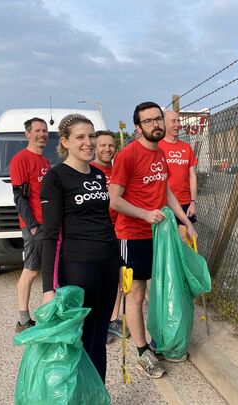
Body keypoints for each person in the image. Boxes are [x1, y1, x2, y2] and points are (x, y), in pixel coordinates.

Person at [109, 101, 198, 379]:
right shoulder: (127, 156)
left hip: (160, 235)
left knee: (158, 289)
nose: (155, 124)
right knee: (135, 295)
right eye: (148, 121)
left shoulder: (161, 154)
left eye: (158, 119)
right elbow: (115, 200)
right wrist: (145, 214)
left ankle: (160, 340)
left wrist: (185, 221)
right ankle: (141, 352)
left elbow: (166, 192)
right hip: (132, 236)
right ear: (138, 127)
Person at [40, 114, 120, 382]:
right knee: (80, 338)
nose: (89, 142)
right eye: (81, 137)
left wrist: (118, 262)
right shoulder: (56, 177)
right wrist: (48, 289)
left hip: (107, 265)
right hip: (77, 267)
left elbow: (104, 221)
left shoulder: (98, 174)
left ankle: (97, 394)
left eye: (91, 136)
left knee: (100, 335)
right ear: (65, 141)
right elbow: (49, 235)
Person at [10, 117, 51, 333]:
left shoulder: (44, 161)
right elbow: (19, 197)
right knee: (31, 271)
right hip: (34, 226)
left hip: (47, 224)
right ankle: (23, 320)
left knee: (45, 272)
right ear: (28, 134)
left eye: (45, 130)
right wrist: (33, 227)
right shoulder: (21, 159)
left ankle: (43, 316)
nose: (42, 134)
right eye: (37, 130)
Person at [89, 130, 127, 342]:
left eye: (111, 145)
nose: (107, 149)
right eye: (102, 145)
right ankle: (97, 322)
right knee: (98, 280)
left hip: (118, 230)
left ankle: (112, 320)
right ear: (95, 147)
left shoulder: (117, 171)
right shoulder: (89, 171)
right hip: (97, 233)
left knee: (117, 277)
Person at [158, 110, 198, 243]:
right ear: (163, 123)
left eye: (179, 121)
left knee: (186, 243)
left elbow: (192, 175)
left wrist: (193, 202)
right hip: (164, 205)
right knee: (168, 245)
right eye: (173, 121)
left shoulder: (186, 148)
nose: (178, 125)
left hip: (185, 203)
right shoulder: (157, 147)